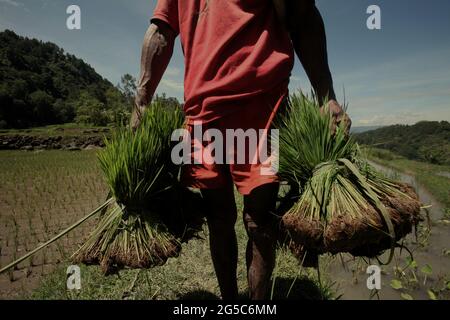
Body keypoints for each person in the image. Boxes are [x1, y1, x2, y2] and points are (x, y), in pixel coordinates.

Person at [132, 0, 351, 300]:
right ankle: (229, 302)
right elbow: (161, 29)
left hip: (260, 107)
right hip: (201, 113)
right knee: (218, 217)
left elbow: (303, 16)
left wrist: (326, 95)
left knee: (259, 222)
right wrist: (142, 96)